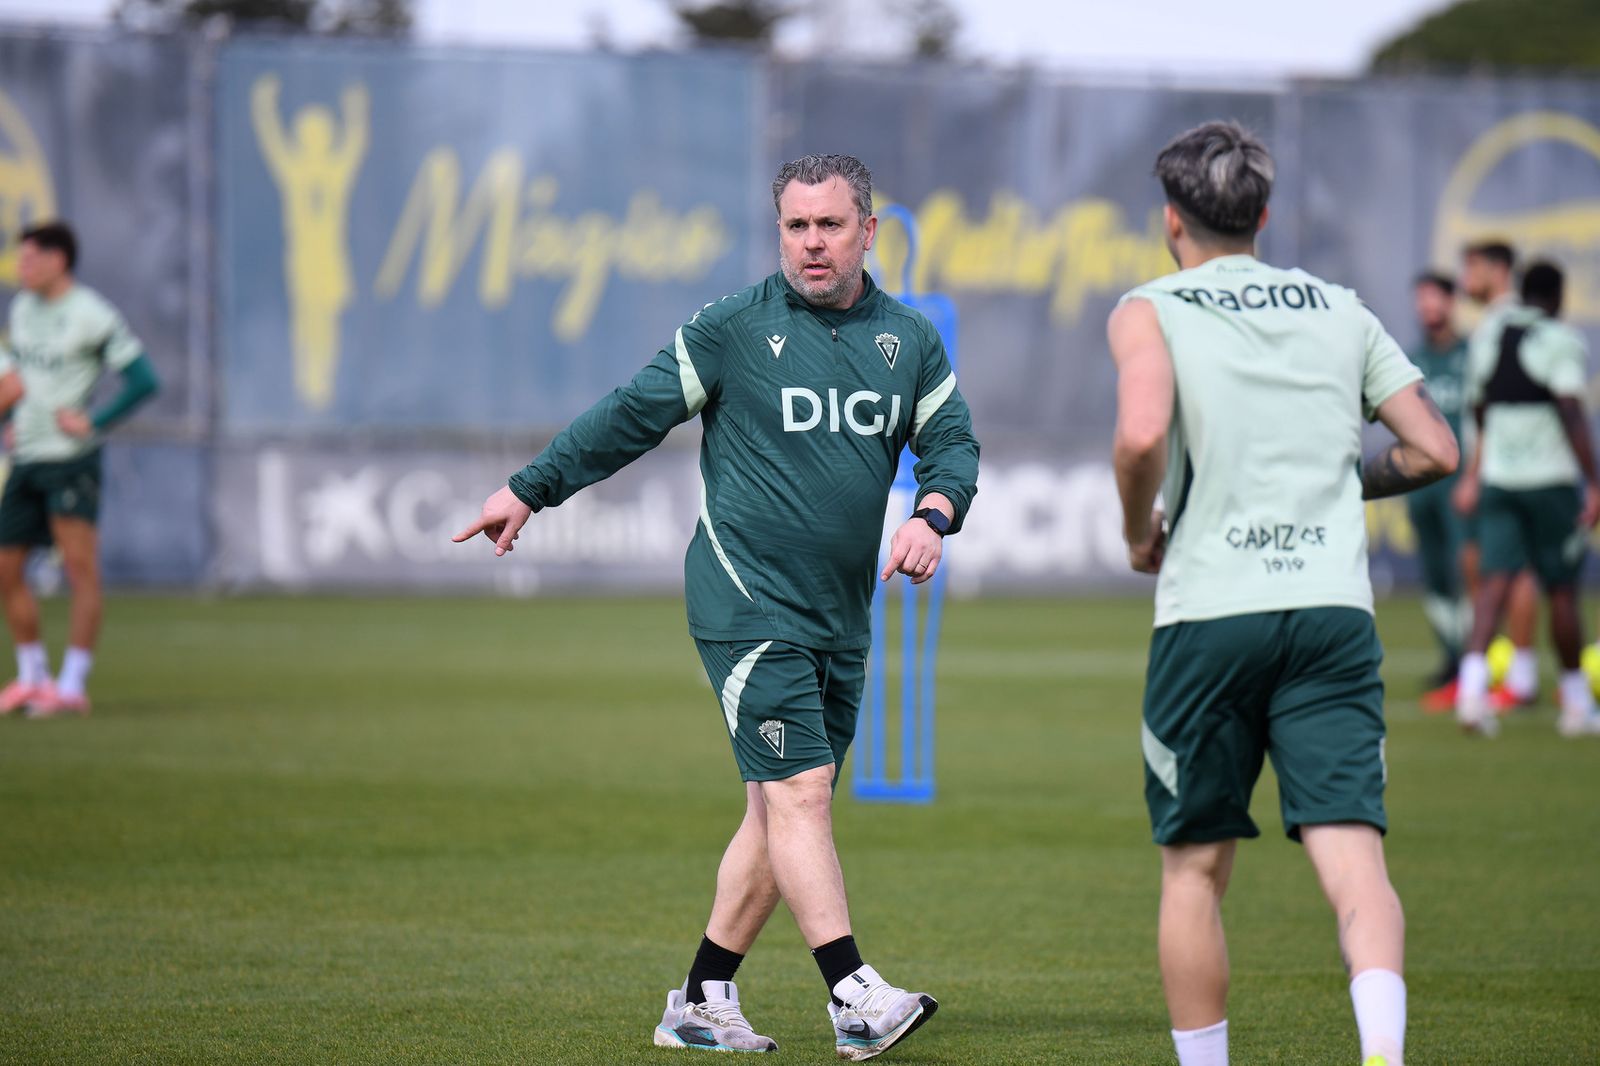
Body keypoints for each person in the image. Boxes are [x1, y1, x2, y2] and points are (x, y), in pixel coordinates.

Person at [454, 154, 978, 1059]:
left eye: (830, 226)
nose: (812, 244)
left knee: (775, 813)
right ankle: (854, 994)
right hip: (744, 603)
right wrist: (530, 489)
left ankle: (700, 999)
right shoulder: (734, 328)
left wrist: (936, 512)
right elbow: (632, 414)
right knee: (803, 794)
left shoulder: (910, 341)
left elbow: (954, 444)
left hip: (839, 615)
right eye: (795, 227)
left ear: (868, 232)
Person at [1109, 121, 1457, 1066]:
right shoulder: (1341, 308)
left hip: (1209, 613)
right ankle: (1381, 1053)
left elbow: (1142, 438)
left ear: (1171, 221)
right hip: (1331, 614)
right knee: (1356, 867)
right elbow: (1435, 449)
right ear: (1264, 215)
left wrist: (1142, 529)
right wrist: (1350, 480)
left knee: (1195, 872)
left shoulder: (1150, 307)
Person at [0, 222, 161, 717]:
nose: (21, 267)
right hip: (27, 455)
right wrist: (8, 417)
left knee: (79, 568)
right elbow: (15, 379)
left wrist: (95, 420)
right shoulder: (23, 309)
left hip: (70, 460)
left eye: (30, 259)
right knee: (5, 570)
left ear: (58, 261)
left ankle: (72, 684)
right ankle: (32, 676)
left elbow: (143, 379)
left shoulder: (91, 315)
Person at [1453, 262, 1600, 738]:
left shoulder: (1490, 338)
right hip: (1550, 482)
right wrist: (1594, 481)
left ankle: (1471, 695)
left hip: (1500, 478)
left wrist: (1483, 462)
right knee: (1560, 589)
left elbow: (1477, 404)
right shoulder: (1560, 340)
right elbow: (1571, 410)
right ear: (1557, 297)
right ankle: (1577, 706)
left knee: (1492, 585)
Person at [1457, 241, 1541, 710]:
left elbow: (1491, 405)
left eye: (1473, 267)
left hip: (1502, 469)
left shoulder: (1506, 324)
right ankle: (1504, 666)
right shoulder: (1496, 323)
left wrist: (1474, 471)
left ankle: (1521, 675)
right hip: (1497, 465)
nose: (1466, 277)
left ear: (1499, 270)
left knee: (1511, 568)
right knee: (1482, 564)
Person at [1405, 272, 1472, 711]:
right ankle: (1451, 658)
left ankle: (1474, 661)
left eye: (1435, 299)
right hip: (1420, 488)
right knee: (1435, 578)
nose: (1428, 307)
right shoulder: (1410, 360)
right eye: (1421, 300)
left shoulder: (1471, 356)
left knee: (1466, 575)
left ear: (1451, 302)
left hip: (1461, 483)